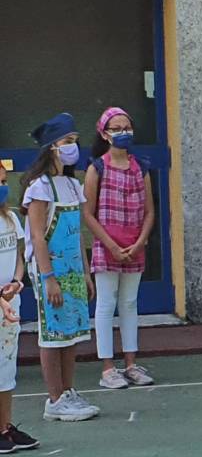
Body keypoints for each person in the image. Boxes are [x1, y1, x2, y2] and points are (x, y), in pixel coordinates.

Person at [23, 113, 98, 422]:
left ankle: (68, 391)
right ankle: (54, 398)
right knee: (53, 333)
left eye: (75, 141)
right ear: (52, 148)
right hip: (50, 269)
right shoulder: (38, 188)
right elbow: (39, 236)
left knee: (71, 332)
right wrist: (48, 277)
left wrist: (85, 271)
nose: (73, 147)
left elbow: (77, 232)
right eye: (67, 142)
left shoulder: (71, 184)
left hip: (72, 268)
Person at [82, 107, 156, 389]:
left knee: (129, 303)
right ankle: (107, 367)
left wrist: (140, 242)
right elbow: (88, 213)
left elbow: (150, 211)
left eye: (127, 127)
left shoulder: (142, 167)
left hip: (135, 246)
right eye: (116, 128)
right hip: (107, 247)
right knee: (106, 303)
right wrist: (111, 245)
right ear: (104, 133)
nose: (123, 132)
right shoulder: (96, 168)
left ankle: (131, 363)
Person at [0, 162, 37, 454]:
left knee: (6, 370)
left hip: (11, 304)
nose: (2, 187)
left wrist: (15, 281)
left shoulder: (11, 218)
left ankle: (5, 427)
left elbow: (20, 258)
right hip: (3, 303)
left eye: (3, 181)